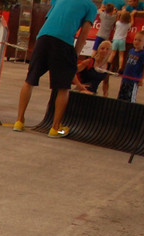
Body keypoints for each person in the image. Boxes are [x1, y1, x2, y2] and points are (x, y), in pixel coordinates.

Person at [14, 0, 97, 138]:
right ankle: (55, 128)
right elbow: (84, 35)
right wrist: (75, 55)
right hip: (63, 42)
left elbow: (48, 19)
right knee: (63, 87)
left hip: (43, 38)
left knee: (30, 80)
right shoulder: (90, 6)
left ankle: (19, 121)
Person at [118, 30, 144, 102]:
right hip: (125, 79)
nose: (136, 42)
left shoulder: (143, 54)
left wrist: (142, 79)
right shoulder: (131, 51)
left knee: (130, 98)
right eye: (135, 39)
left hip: (133, 81)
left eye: (139, 40)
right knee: (121, 97)